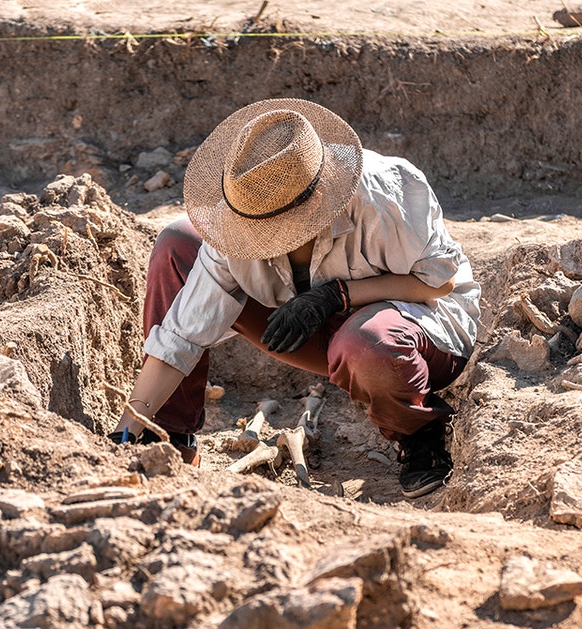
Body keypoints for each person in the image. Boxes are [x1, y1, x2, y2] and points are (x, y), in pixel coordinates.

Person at [111, 98, 481, 498]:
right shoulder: (242, 212)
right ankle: (166, 436)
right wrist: (131, 425)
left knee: (365, 342)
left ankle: (419, 430)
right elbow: (182, 332)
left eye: (277, 228)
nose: (260, 241)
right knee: (178, 243)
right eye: (255, 229)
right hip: (314, 331)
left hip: (418, 330)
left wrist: (337, 295)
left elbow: (439, 283)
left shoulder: (386, 194)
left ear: (318, 200)